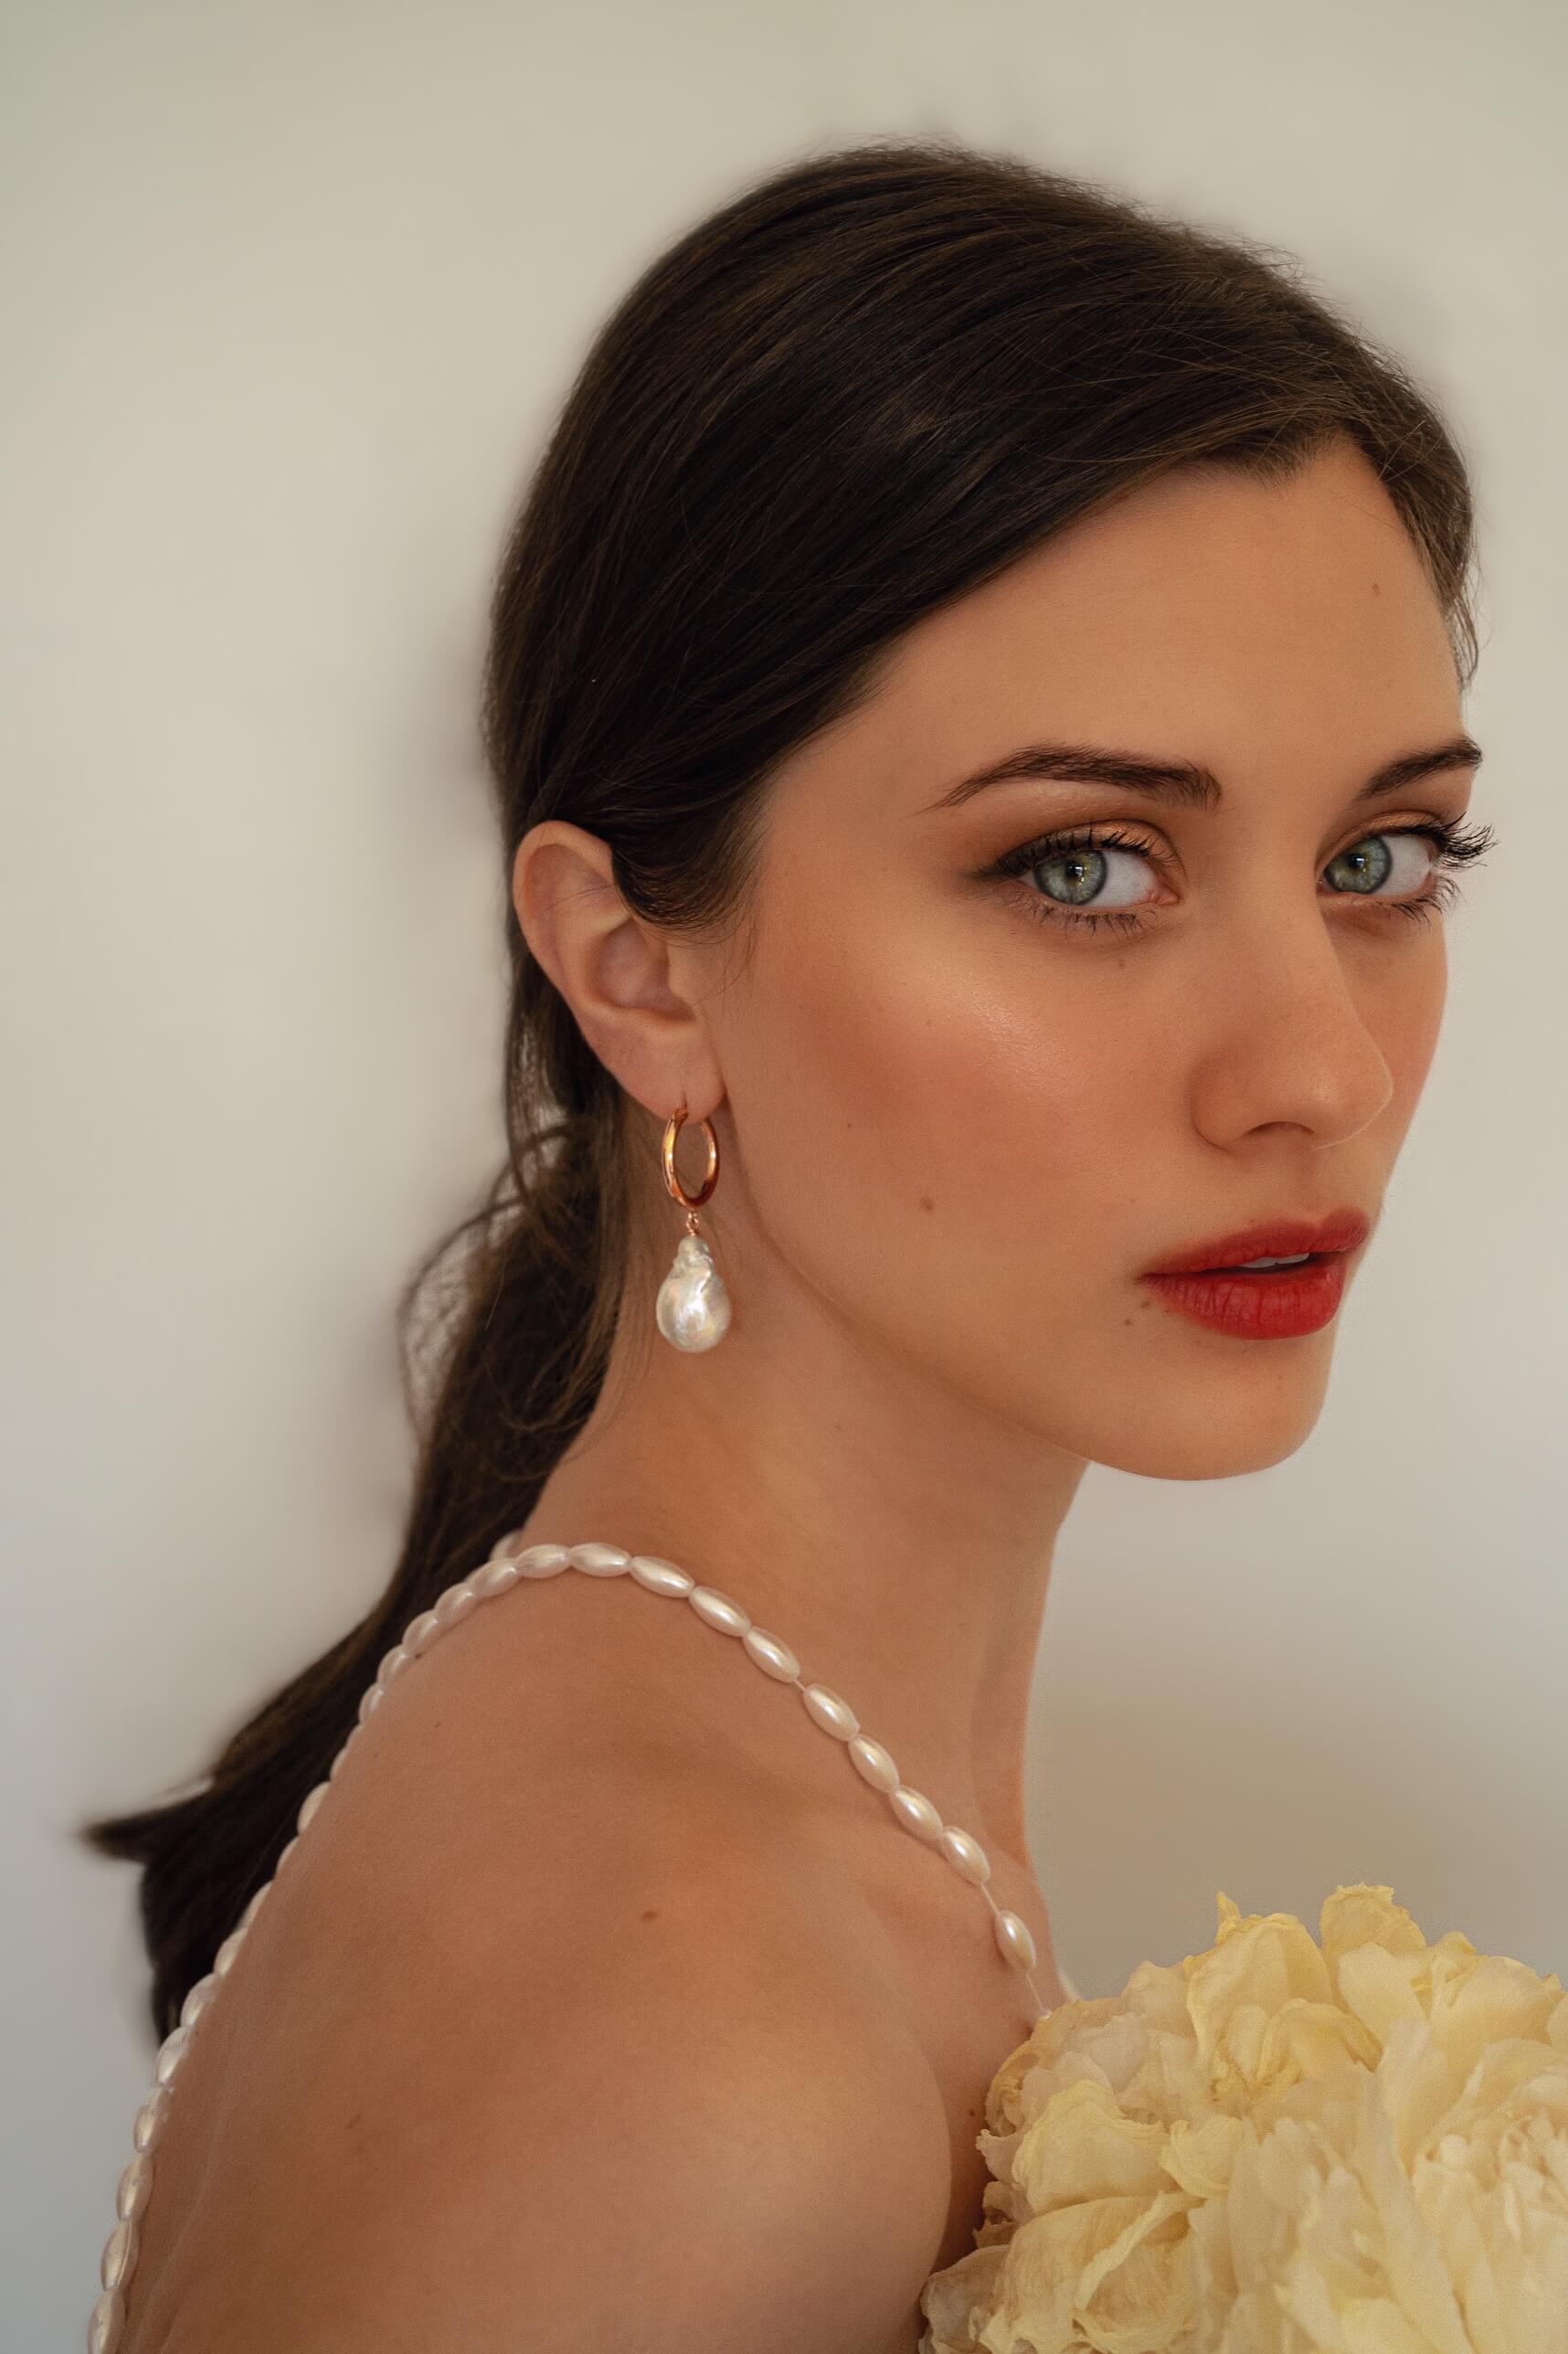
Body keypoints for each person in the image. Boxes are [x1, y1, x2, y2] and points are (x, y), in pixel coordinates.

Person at [80, 135, 1492, 2352]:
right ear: (639, 967)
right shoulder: (708, 2048)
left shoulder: (737, 1799)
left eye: (1388, 855)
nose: (1316, 1067)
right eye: (1087, 869)